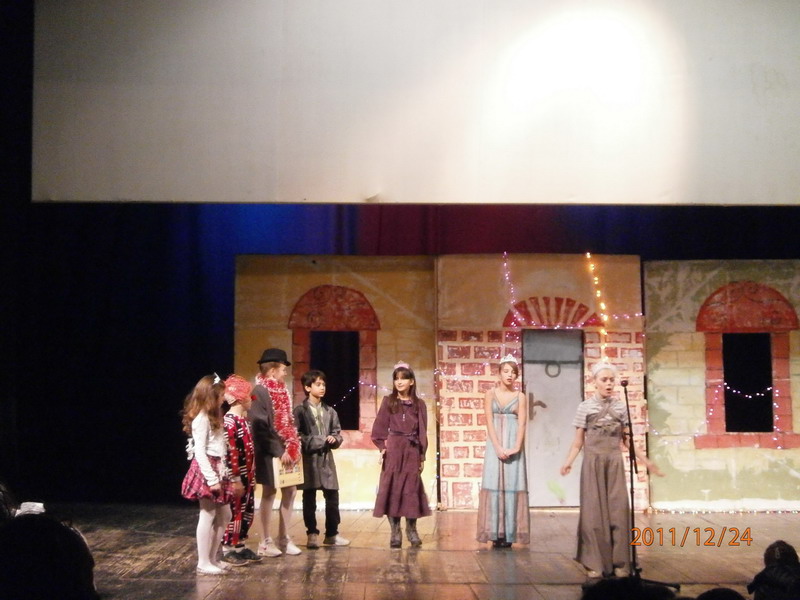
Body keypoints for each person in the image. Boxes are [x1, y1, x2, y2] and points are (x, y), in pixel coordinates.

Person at [560, 362, 663, 580]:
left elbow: (628, 441)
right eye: (604, 380)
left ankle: (621, 563)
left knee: (619, 511)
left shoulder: (620, 408)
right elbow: (578, 442)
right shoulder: (585, 407)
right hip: (593, 463)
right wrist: (568, 462)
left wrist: (646, 461)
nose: (608, 384)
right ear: (594, 382)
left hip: (614, 463)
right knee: (593, 515)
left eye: (611, 380)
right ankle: (596, 562)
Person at [181, 374, 239, 575]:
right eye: (220, 395)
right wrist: (212, 479)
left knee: (226, 514)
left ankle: (213, 558)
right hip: (207, 469)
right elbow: (200, 452)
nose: (223, 399)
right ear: (210, 397)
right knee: (207, 514)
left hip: (218, 467)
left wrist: (226, 473)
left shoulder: (215, 416)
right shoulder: (202, 419)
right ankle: (203, 562)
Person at [250, 347, 302, 557]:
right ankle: (264, 541)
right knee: (269, 492)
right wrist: (280, 451)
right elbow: (260, 426)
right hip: (269, 451)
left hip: (285, 450)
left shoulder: (282, 391)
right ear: (272, 371)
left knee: (290, 490)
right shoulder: (259, 391)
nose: (285, 373)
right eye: (282, 369)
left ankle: (284, 538)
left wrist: (293, 444)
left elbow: (288, 421)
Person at [372, 362, 431, 547]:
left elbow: (423, 431)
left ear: (411, 381)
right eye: (396, 379)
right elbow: (379, 427)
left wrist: (421, 455)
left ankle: (411, 529)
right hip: (394, 451)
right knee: (393, 489)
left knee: (411, 490)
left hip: (412, 450)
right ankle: (395, 531)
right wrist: (382, 447)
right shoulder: (388, 401)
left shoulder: (419, 404)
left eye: (403, 378)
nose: (399, 382)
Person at [476, 354, 530, 548]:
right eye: (506, 371)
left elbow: (522, 423)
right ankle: (495, 531)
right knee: (494, 484)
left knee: (512, 485)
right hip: (495, 443)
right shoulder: (490, 394)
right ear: (499, 373)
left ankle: (509, 532)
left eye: (513, 372)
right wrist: (497, 447)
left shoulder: (520, 397)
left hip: (513, 442)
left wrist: (516, 447)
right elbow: (489, 422)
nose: (509, 375)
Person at [293, 369, 350, 549]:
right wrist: (320, 440)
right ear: (307, 387)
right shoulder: (300, 411)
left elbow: (337, 433)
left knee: (332, 496)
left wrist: (335, 439)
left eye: (323, 384)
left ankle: (332, 533)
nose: (322, 387)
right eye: (318, 384)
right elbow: (297, 436)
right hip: (309, 461)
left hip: (326, 460)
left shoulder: (330, 411)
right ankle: (311, 533)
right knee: (309, 497)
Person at [220, 374, 262, 565]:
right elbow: (231, 453)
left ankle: (240, 545)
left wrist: (251, 475)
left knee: (246, 510)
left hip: (247, 475)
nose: (252, 400)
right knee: (234, 510)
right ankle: (228, 548)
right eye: (249, 396)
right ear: (240, 398)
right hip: (236, 477)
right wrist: (235, 478)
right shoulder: (230, 422)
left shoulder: (243, 421)